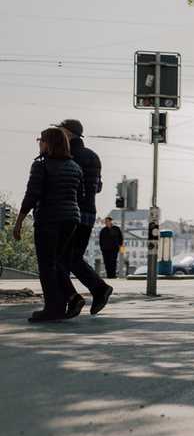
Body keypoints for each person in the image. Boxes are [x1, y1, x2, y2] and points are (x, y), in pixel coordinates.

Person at [12, 128, 85, 322]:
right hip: (71, 220)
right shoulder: (75, 166)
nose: (39, 143)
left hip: (49, 219)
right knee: (56, 262)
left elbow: (31, 195)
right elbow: (81, 195)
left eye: (41, 140)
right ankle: (69, 299)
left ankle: (52, 308)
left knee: (46, 265)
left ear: (49, 143)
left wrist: (19, 221)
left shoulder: (41, 165)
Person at [56, 119, 113, 316]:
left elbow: (66, 185)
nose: (57, 133)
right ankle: (98, 289)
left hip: (70, 213)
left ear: (68, 133)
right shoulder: (93, 156)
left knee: (58, 258)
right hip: (89, 212)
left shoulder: (67, 155)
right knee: (73, 257)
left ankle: (74, 298)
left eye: (60, 130)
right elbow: (98, 187)